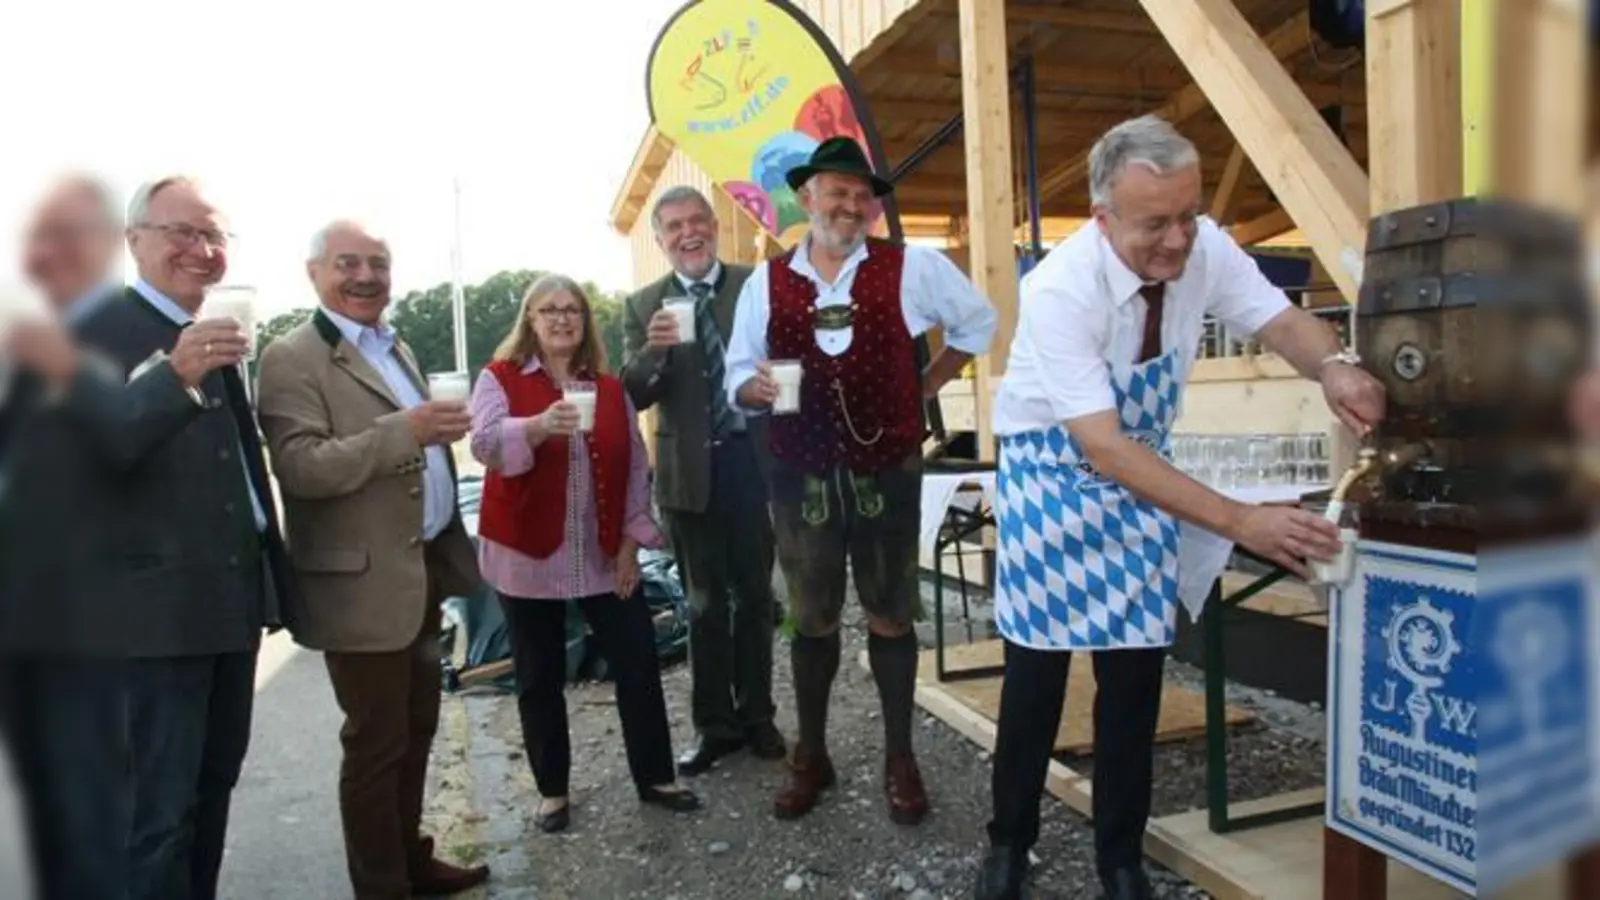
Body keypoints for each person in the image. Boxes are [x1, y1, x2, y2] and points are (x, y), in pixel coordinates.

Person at [973, 115, 1386, 900]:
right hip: (1054, 477)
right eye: (1153, 223)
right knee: (1037, 680)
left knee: (1134, 680)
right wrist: (1239, 521)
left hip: (1140, 473)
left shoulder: (1206, 249)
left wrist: (1334, 368)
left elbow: (1281, 321)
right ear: (1103, 219)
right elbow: (1102, 445)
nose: (1176, 240)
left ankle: (1119, 858)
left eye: (1188, 215)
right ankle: (1008, 844)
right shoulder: (1060, 286)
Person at [725, 137, 998, 824]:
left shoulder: (912, 269)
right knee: (811, 617)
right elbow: (735, 371)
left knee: (890, 612)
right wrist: (753, 390)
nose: (847, 204)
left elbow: (979, 322)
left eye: (859, 194)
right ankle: (810, 755)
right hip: (800, 470)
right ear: (808, 197)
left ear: (871, 208)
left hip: (887, 467)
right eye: (834, 191)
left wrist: (927, 382)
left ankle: (899, 757)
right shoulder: (768, 280)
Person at [69, 174, 300, 900]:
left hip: (227, 610)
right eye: (182, 233)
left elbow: (238, 473)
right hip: (150, 623)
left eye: (214, 237)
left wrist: (275, 585)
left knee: (210, 795)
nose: (201, 250)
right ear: (132, 240)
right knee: (156, 817)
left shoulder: (215, 334)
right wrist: (174, 376)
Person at [255, 220, 490, 899]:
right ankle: (381, 886)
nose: (365, 277)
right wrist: (405, 431)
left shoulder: (397, 345)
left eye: (378, 265)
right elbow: (300, 468)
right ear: (314, 274)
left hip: (421, 574)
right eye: (348, 264)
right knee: (375, 745)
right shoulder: (290, 357)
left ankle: (412, 859)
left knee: (417, 729)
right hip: (360, 591)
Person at [469, 273, 702, 834]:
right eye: (549, 310)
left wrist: (627, 547)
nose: (562, 319)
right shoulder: (498, 378)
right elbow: (482, 443)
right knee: (538, 674)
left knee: (638, 662)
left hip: (603, 555)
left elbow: (635, 469)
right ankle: (552, 790)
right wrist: (538, 426)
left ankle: (655, 777)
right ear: (530, 319)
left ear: (584, 320)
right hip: (527, 554)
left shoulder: (609, 387)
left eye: (572, 309)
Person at [0, 175, 135, 900]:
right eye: (37, 235)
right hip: (25, 628)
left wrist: (70, 372)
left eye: (63, 234)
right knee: (50, 825)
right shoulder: (26, 341)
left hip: (94, 637)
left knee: (98, 829)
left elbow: (134, 438)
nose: (43, 251)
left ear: (106, 244)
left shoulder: (126, 329)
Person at [621, 185, 785, 776]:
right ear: (663, 241)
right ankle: (713, 727)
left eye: (697, 222)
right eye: (674, 228)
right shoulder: (644, 305)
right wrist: (655, 352)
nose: (688, 234)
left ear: (714, 226)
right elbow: (631, 392)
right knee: (702, 604)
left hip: (752, 461)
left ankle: (758, 715)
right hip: (687, 474)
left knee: (756, 599)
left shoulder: (754, 285)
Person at [21, 174, 124, 323]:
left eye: (65, 234)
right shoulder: (18, 333)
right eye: (38, 236)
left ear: (113, 238)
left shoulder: (151, 334)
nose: (48, 251)